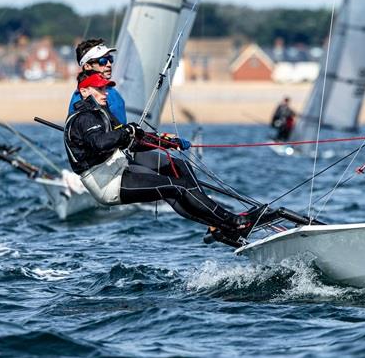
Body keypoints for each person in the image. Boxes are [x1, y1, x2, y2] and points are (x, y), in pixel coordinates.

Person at [64, 71, 269, 247]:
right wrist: (126, 131)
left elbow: (133, 142)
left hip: (118, 169)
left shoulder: (102, 113)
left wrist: (167, 143)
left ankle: (224, 225)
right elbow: (99, 143)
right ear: (84, 91)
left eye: (105, 88)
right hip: (106, 182)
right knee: (177, 187)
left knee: (177, 182)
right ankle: (233, 222)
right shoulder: (83, 118)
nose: (105, 93)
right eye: (99, 89)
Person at [67, 39, 126, 123]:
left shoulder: (111, 90)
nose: (109, 64)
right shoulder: (81, 96)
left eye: (110, 59)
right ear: (87, 66)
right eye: (103, 61)